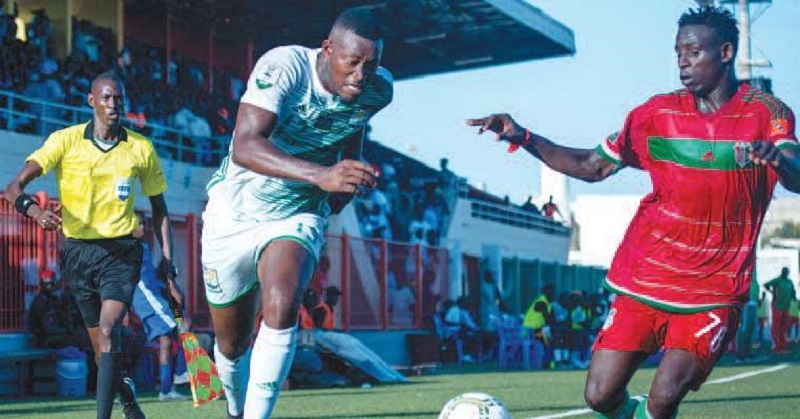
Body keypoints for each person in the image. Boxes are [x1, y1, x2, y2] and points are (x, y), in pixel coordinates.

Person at [466, 6, 800, 418]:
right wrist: (524, 137)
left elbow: (796, 174)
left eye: (693, 52)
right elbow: (592, 166)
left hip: (714, 288)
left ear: (727, 52)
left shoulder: (767, 113)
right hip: (645, 277)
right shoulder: (655, 115)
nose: (682, 61)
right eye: (678, 51)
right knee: (599, 396)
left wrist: (779, 160)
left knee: (663, 400)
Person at [200, 7, 393, 418]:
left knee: (283, 300)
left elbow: (353, 121)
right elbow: (245, 146)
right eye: (353, 62)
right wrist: (323, 173)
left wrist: (351, 169)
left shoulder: (379, 89)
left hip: (298, 211)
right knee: (231, 344)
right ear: (327, 50)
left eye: (371, 65)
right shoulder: (284, 65)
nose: (362, 74)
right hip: (233, 212)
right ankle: (236, 409)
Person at [5, 71, 175, 419]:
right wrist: (36, 212)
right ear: (92, 100)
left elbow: (160, 211)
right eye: (107, 98)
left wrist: (169, 263)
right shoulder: (64, 141)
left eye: (119, 99)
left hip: (122, 253)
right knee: (101, 349)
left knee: (111, 329)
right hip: (79, 255)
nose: (114, 105)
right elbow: (13, 189)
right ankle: (126, 395)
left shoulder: (141, 148)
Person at [130, 213, 188, 401]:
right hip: (147, 299)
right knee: (182, 325)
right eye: (139, 224)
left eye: (144, 223)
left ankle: (165, 390)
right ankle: (182, 371)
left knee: (166, 341)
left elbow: (151, 274)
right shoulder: (129, 248)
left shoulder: (144, 246)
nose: (143, 226)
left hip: (153, 296)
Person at [28, 269, 87, 350]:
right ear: (43, 285)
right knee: (75, 341)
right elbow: (47, 328)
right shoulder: (39, 303)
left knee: (83, 337)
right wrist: (66, 331)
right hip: (43, 339)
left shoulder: (54, 300)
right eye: (49, 285)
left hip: (56, 335)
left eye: (53, 284)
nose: (52, 287)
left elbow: (63, 318)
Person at [764, 267, 796, 354]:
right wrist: (772, 292)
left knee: (784, 327)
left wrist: (794, 298)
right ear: (782, 272)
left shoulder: (789, 282)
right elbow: (766, 285)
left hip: (786, 307)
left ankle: (783, 347)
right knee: (776, 327)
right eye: (784, 272)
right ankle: (776, 347)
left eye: (786, 272)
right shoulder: (777, 280)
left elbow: (793, 291)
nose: (785, 273)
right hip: (777, 306)